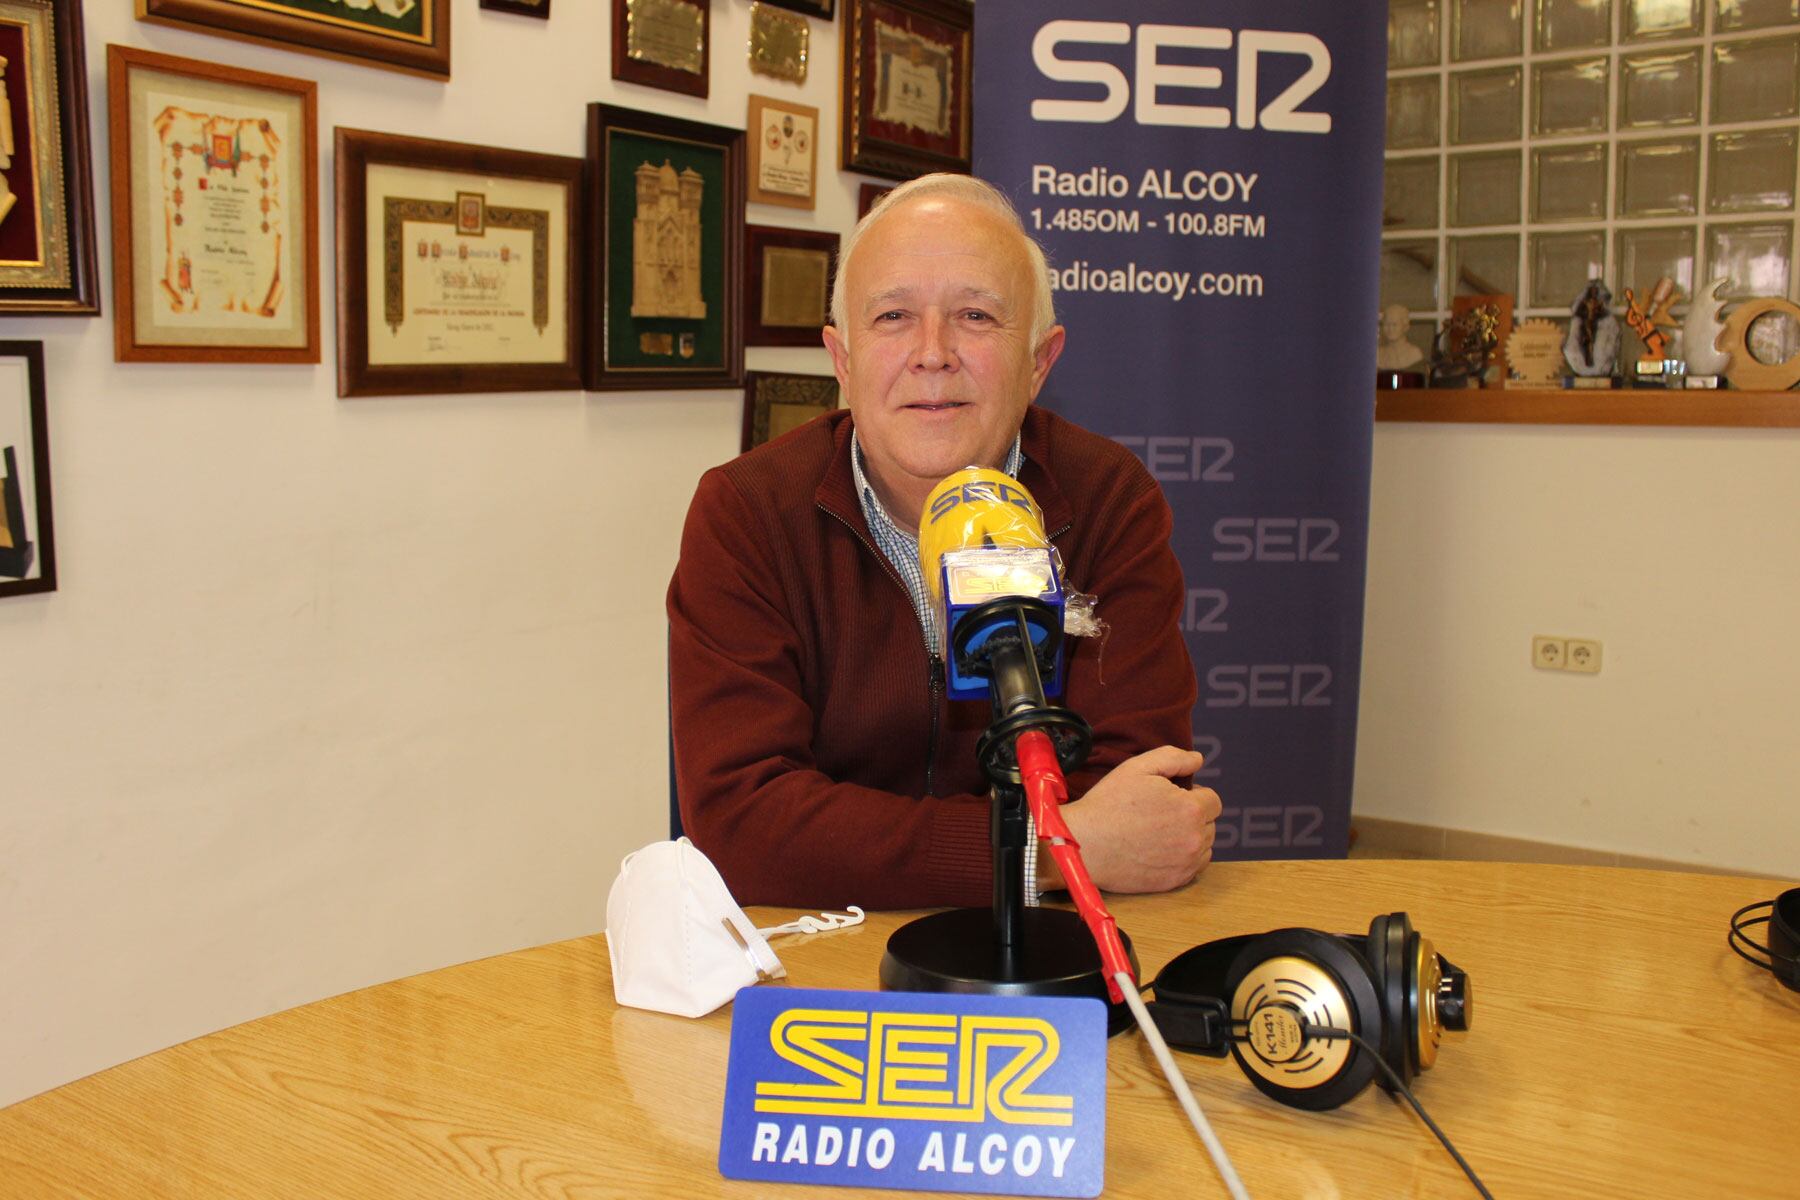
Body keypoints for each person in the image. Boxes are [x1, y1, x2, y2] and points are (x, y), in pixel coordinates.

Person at [667, 173, 1220, 910]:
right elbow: (743, 822)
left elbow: (1136, 799)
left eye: (976, 316)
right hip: (816, 947)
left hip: (1045, 949)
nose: (933, 353)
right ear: (843, 360)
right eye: (893, 315)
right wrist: (1044, 850)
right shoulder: (747, 513)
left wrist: (864, 843)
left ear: (1038, 363)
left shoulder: (1108, 498)